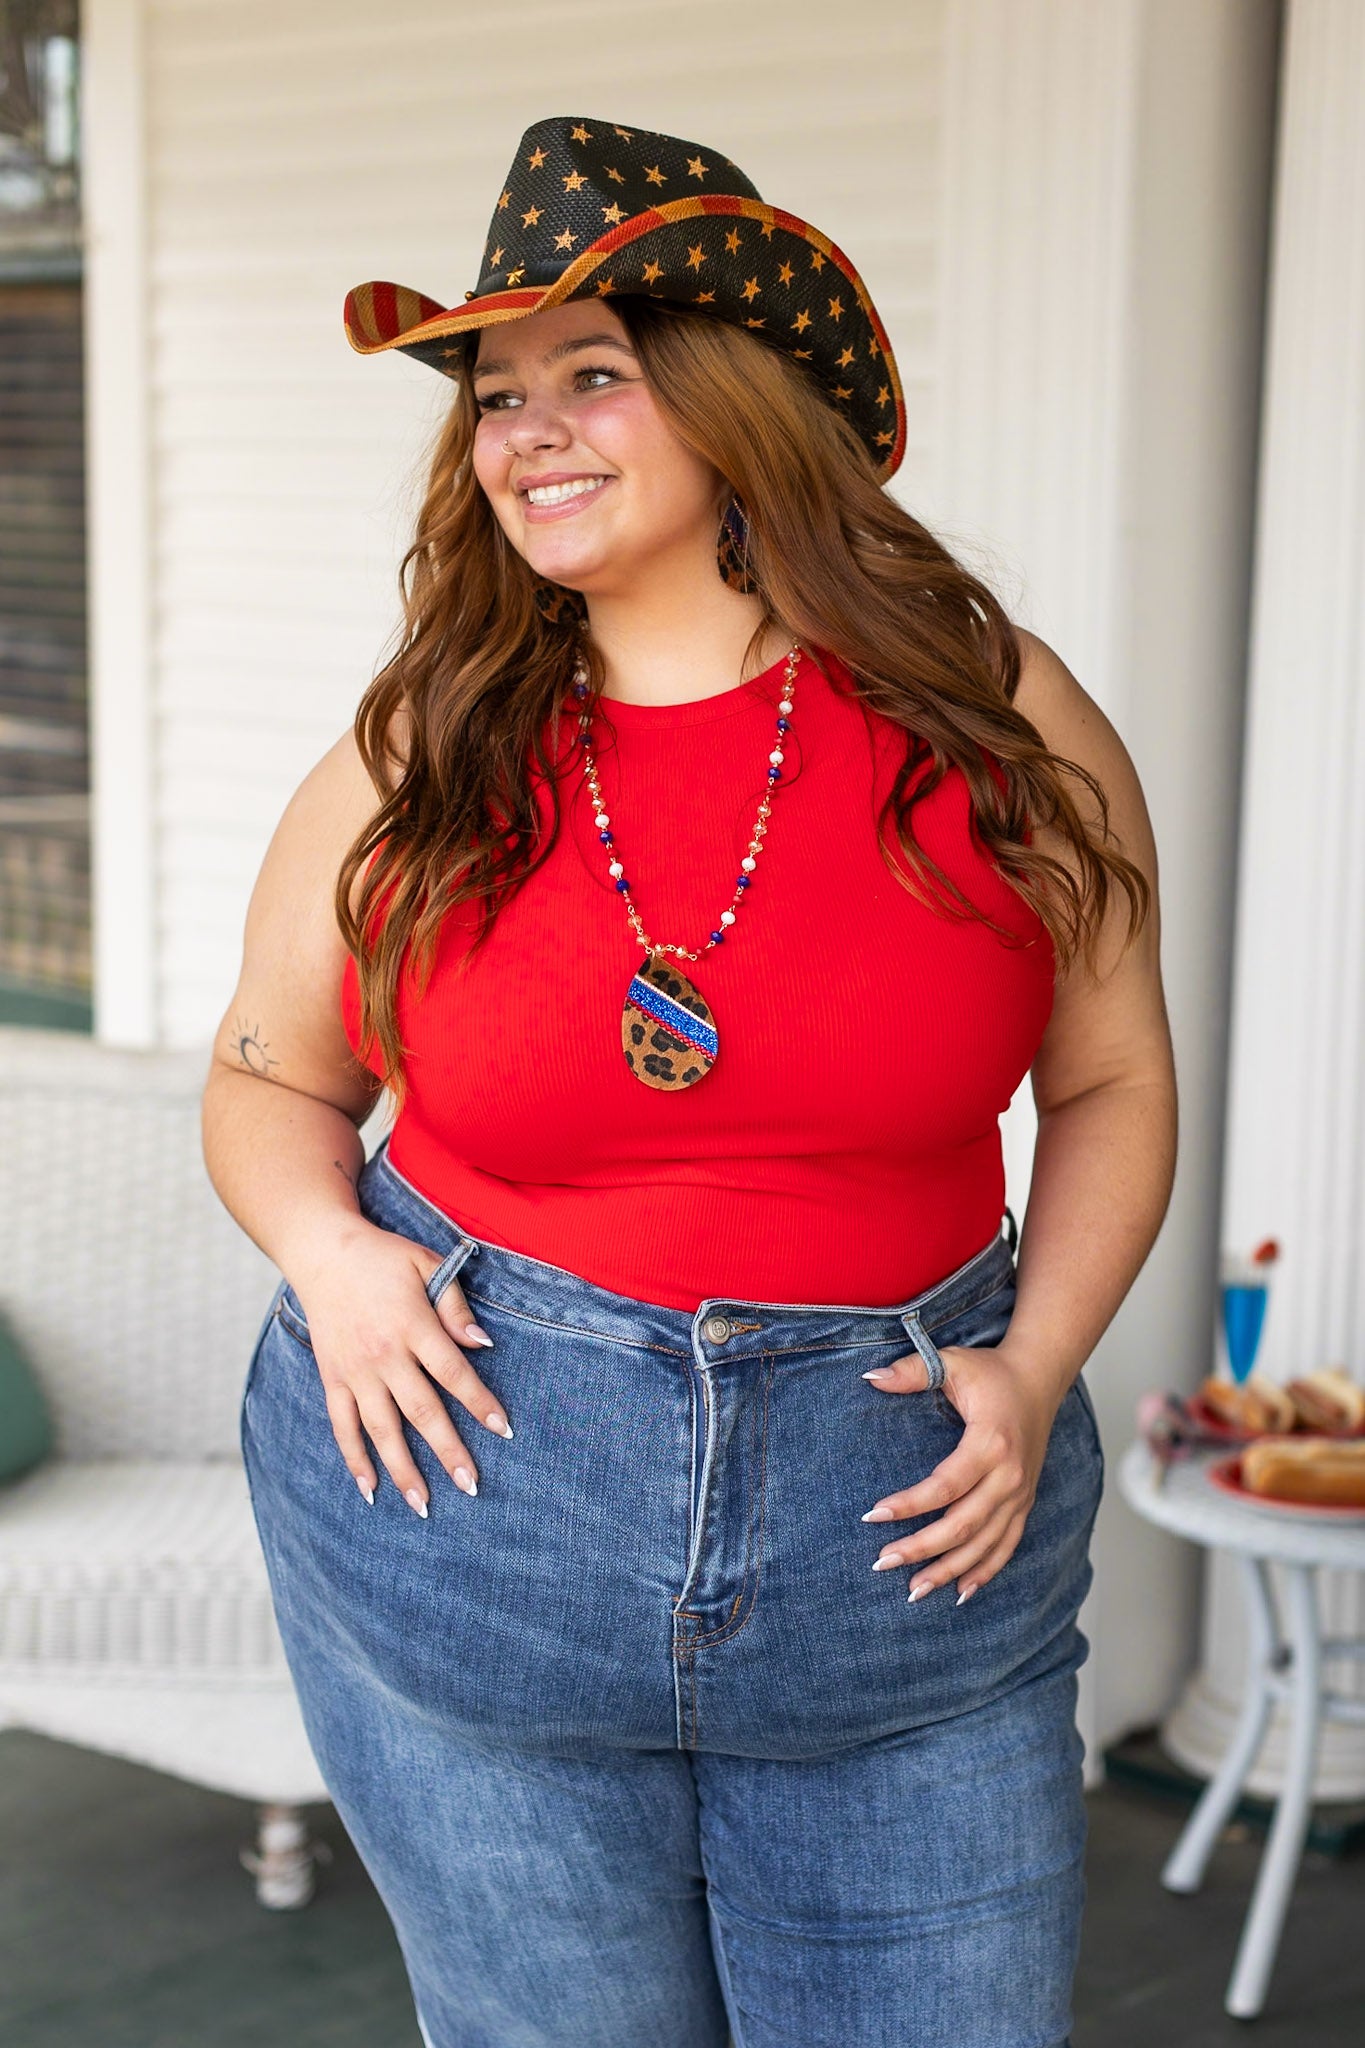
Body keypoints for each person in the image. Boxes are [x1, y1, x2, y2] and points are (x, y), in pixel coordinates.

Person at [202, 114, 1177, 2048]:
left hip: (901, 1555)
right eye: (494, 394)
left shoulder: (991, 715)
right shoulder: (422, 748)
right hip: (473, 1512)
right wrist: (331, 1254)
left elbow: (1112, 1083)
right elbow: (264, 1079)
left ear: (740, 405)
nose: (526, 434)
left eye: (592, 374)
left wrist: (1041, 1356)